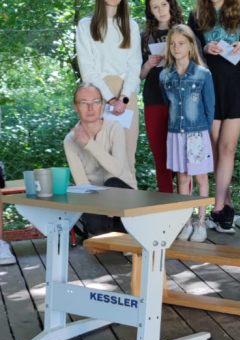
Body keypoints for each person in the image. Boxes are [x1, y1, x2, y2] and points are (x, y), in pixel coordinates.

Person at [188, 0, 240, 234]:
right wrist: (204, 49)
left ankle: (218, 208)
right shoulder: (196, 14)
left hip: (236, 88)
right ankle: (226, 203)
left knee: (228, 148)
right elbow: (188, 53)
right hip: (209, 87)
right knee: (215, 148)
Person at [160, 24, 215, 242]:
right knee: (182, 178)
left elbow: (210, 107)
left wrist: (203, 134)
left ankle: (201, 222)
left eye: (181, 43)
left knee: (201, 177)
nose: (176, 47)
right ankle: (186, 223)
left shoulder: (203, 74)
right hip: (176, 133)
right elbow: (169, 105)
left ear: (191, 45)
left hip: (197, 134)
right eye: (172, 44)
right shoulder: (165, 76)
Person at [76, 0, 141, 180]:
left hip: (126, 94)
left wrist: (124, 98)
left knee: (127, 155)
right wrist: (111, 99)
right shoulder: (85, 25)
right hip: (98, 94)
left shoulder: (131, 25)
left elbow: (135, 65)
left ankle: (129, 196)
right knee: (100, 155)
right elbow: (87, 69)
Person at [64, 83, 136, 236]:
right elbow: (82, 184)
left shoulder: (114, 128)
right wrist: (103, 207)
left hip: (123, 196)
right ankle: (107, 233)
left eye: (96, 102)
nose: (90, 108)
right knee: (95, 223)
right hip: (95, 199)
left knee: (112, 182)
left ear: (102, 106)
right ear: (75, 107)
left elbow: (117, 170)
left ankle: (124, 232)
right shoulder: (70, 140)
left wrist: (89, 144)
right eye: (84, 103)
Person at [140, 0, 185, 193]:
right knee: (160, 154)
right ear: (150, 11)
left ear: (171, 5)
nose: (160, 10)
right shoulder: (144, 36)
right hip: (154, 98)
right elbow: (140, 75)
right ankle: (166, 201)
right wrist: (149, 64)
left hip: (180, 98)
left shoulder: (185, 32)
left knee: (181, 154)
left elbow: (198, 67)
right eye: (155, 7)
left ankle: (184, 203)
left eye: (164, 4)